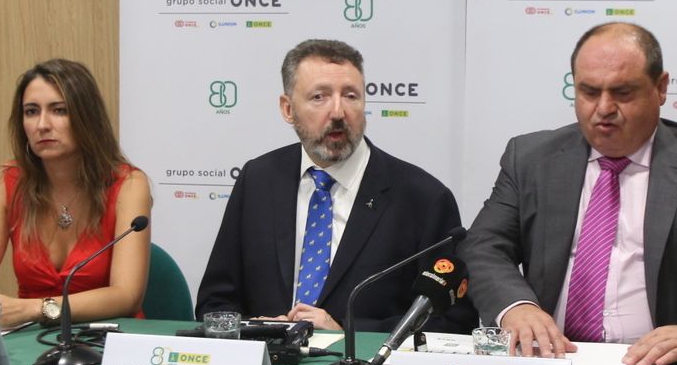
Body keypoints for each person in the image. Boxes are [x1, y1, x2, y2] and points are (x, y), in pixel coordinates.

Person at [466, 22, 677, 365]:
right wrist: (516, 306)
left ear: (660, 88)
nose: (603, 107)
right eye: (589, 91)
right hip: (550, 359)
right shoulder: (531, 158)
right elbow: (485, 245)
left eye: (623, 92)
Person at [196, 39, 476, 335]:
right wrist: (259, 330)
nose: (339, 112)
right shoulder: (258, 180)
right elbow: (215, 302)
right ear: (288, 109)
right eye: (319, 97)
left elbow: (453, 322)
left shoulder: (422, 199)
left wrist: (345, 330)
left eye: (351, 96)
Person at [0, 58, 152, 326]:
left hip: (107, 339)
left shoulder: (129, 184)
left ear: (87, 118)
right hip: (29, 341)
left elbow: (126, 296)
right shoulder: (9, 181)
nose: (42, 124)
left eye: (59, 110)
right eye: (31, 112)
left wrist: (32, 309)